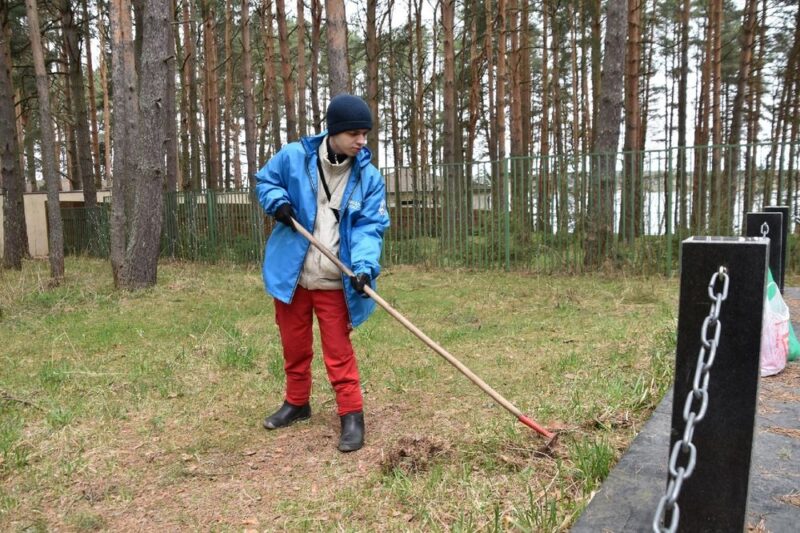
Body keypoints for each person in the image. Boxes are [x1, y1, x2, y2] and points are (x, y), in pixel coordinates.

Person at [255, 94, 390, 453]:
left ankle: (351, 414)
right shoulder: (293, 158)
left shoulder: (369, 178)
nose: (363, 141)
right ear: (335, 131)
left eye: (366, 134)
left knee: (338, 350)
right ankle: (297, 403)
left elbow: (368, 228)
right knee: (294, 346)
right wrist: (277, 203)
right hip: (293, 276)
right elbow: (265, 182)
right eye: (356, 133)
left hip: (335, 280)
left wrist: (362, 269)